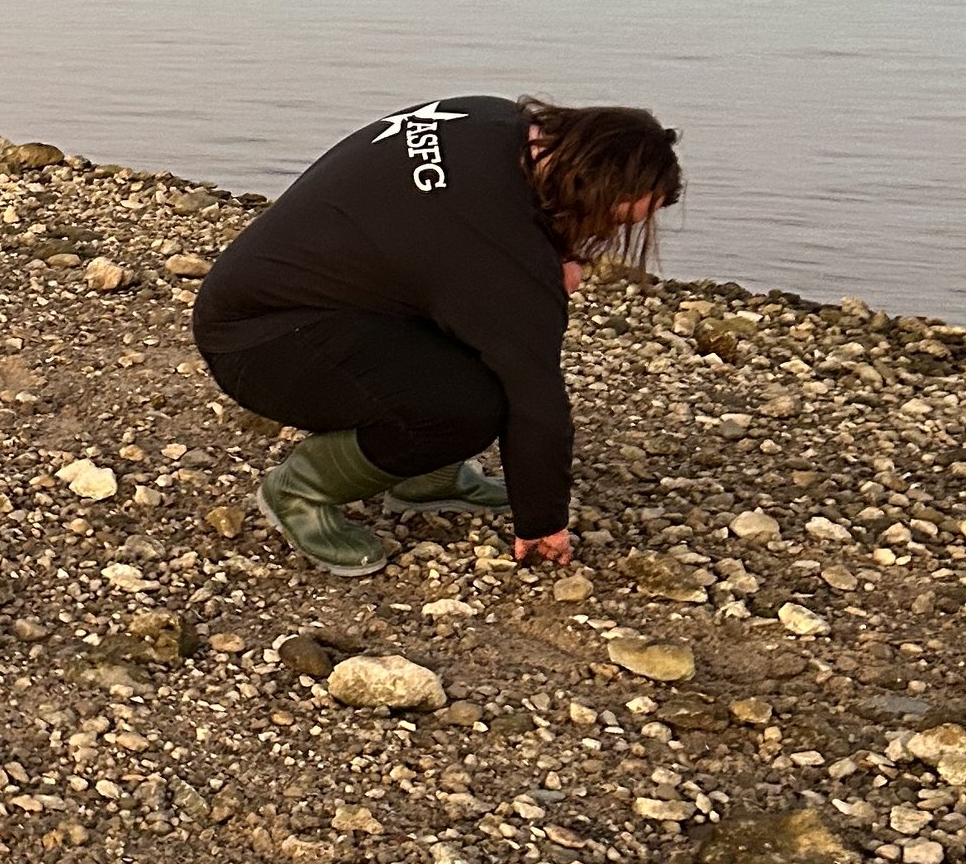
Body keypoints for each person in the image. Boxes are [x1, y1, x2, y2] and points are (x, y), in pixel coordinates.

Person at [191, 95, 682, 576]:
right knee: (468, 409)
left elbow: (440, 233)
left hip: (268, 294)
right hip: (260, 342)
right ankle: (299, 491)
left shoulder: (487, 117)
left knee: (477, 328)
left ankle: (426, 476)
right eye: (615, 218)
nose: (607, 234)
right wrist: (543, 521)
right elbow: (536, 395)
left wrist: (546, 257)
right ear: (590, 187)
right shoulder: (491, 237)